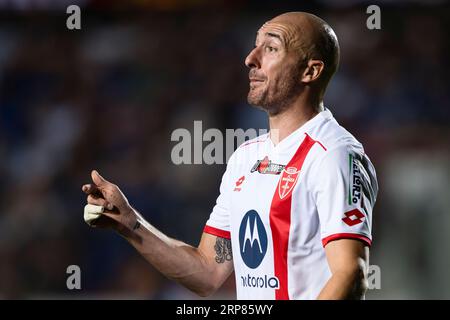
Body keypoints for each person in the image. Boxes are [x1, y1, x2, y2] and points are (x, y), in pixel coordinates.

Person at [82, 12, 378, 300]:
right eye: (255, 45)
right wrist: (130, 223)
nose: (251, 59)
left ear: (310, 71)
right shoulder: (245, 157)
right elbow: (207, 272)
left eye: (271, 48)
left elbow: (350, 274)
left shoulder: (334, 154)